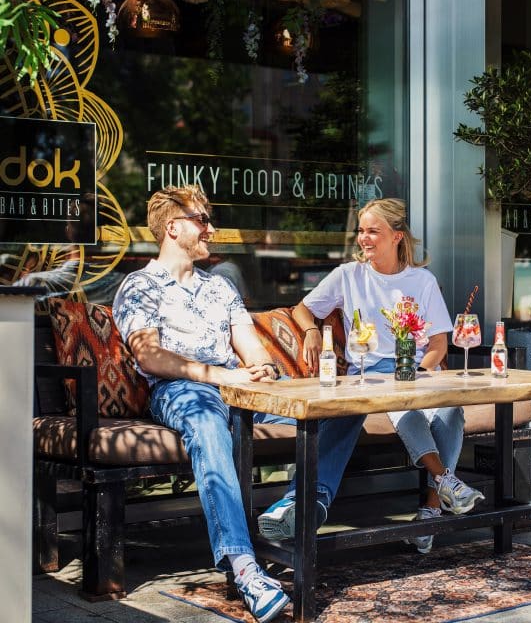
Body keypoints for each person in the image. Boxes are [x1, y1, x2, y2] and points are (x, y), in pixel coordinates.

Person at [112, 185, 364, 622]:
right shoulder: (139, 286)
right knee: (208, 425)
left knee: (344, 401)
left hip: (238, 388)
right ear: (173, 227)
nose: (212, 227)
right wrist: (223, 376)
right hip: (183, 389)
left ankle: (301, 502)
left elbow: (252, 348)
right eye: (203, 219)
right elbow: (150, 356)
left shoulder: (220, 287)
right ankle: (245, 568)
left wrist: (262, 368)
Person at [287, 197, 485, 555]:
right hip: (372, 370)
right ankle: (446, 483)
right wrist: (311, 331)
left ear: (396, 236)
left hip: (420, 369)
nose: (364, 238)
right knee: (407, 408)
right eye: (361, 231)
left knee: (451, 411)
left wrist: (419, 375)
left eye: (373, 231)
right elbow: (302, 310)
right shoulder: (348, 275)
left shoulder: (422, 280)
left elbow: (439, 344)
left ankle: (430, 509)